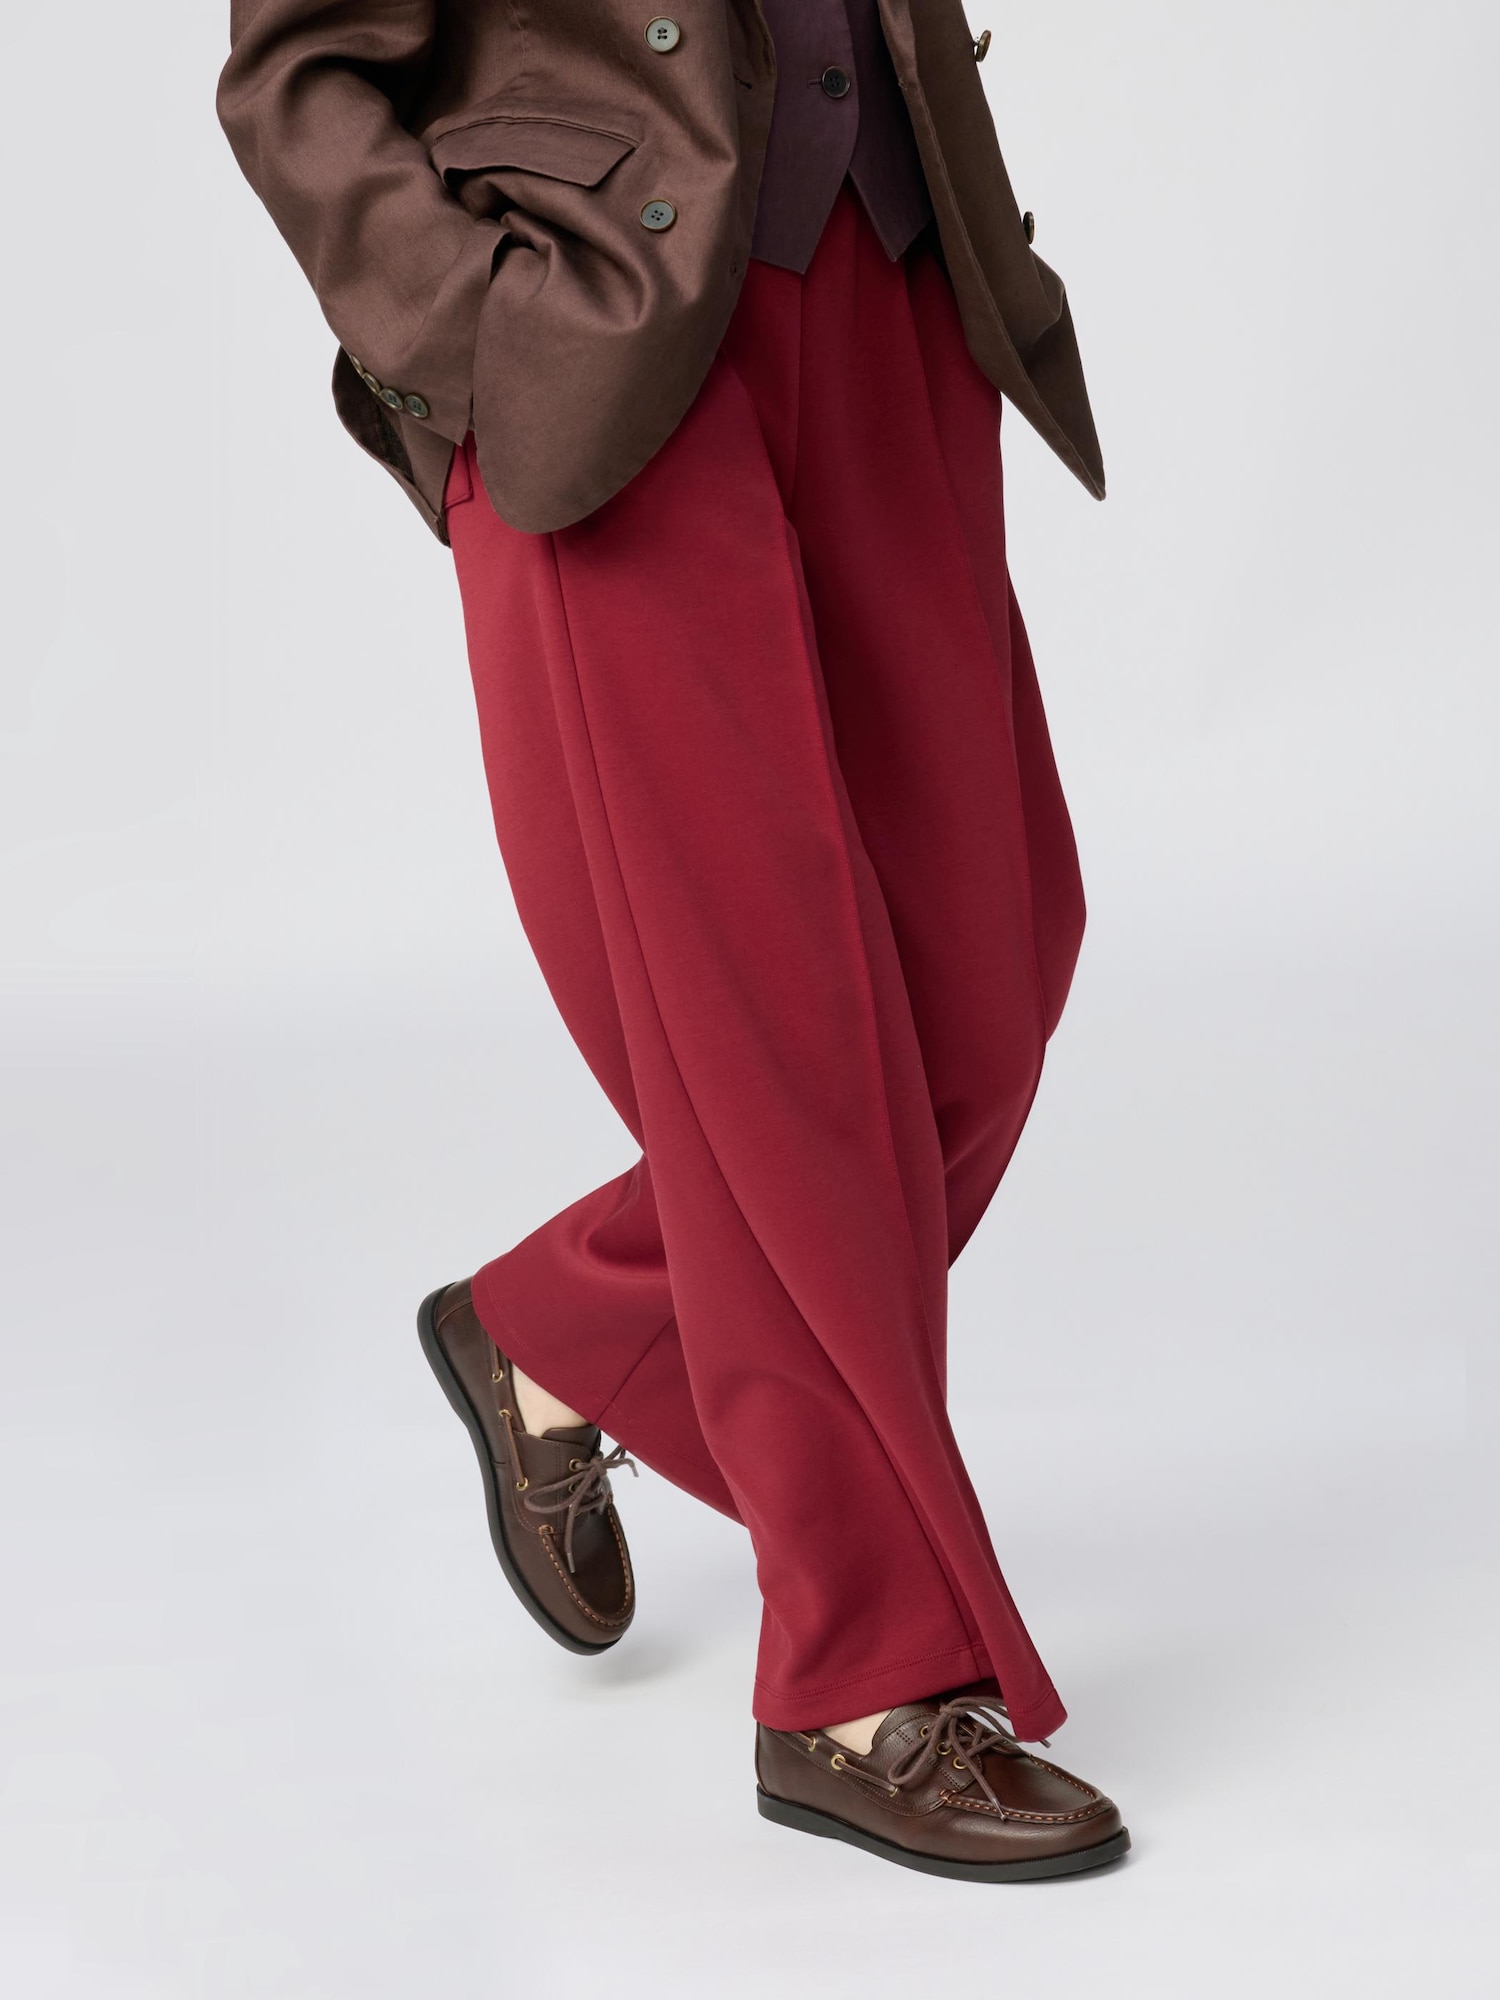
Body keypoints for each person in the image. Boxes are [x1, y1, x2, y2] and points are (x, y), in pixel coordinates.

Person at [218, 0, 1128, 1882]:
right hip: (599, 351)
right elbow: (294, 66)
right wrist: (475, 340)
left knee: (988, 977)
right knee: (774, 1040)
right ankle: (861, 1680)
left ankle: (561, 1333)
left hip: (890, 282)